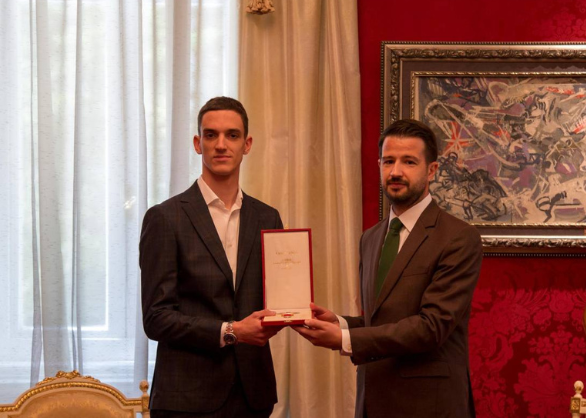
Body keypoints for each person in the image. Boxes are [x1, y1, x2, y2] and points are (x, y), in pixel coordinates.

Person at [294, 119, 483, 418]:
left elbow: (431, 327)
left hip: (429, 407)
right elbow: (383, 319)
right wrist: (341, 323)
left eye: (409, 162)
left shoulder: (458, 237)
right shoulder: (370, 238)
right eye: (388, 161)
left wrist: (345, 339)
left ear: (432, 170)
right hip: (373, 401)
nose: (395, 172)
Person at [140, 97, 284, 418]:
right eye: (211, 135)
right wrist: (231, 331)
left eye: (232, 135)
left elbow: (278, 299)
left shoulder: (268, 218)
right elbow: (156, 318)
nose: (221, 144)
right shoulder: (164, 218)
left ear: (247, 145)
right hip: (185, 400)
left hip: (253, 395)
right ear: (197, 143)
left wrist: (296, 310)